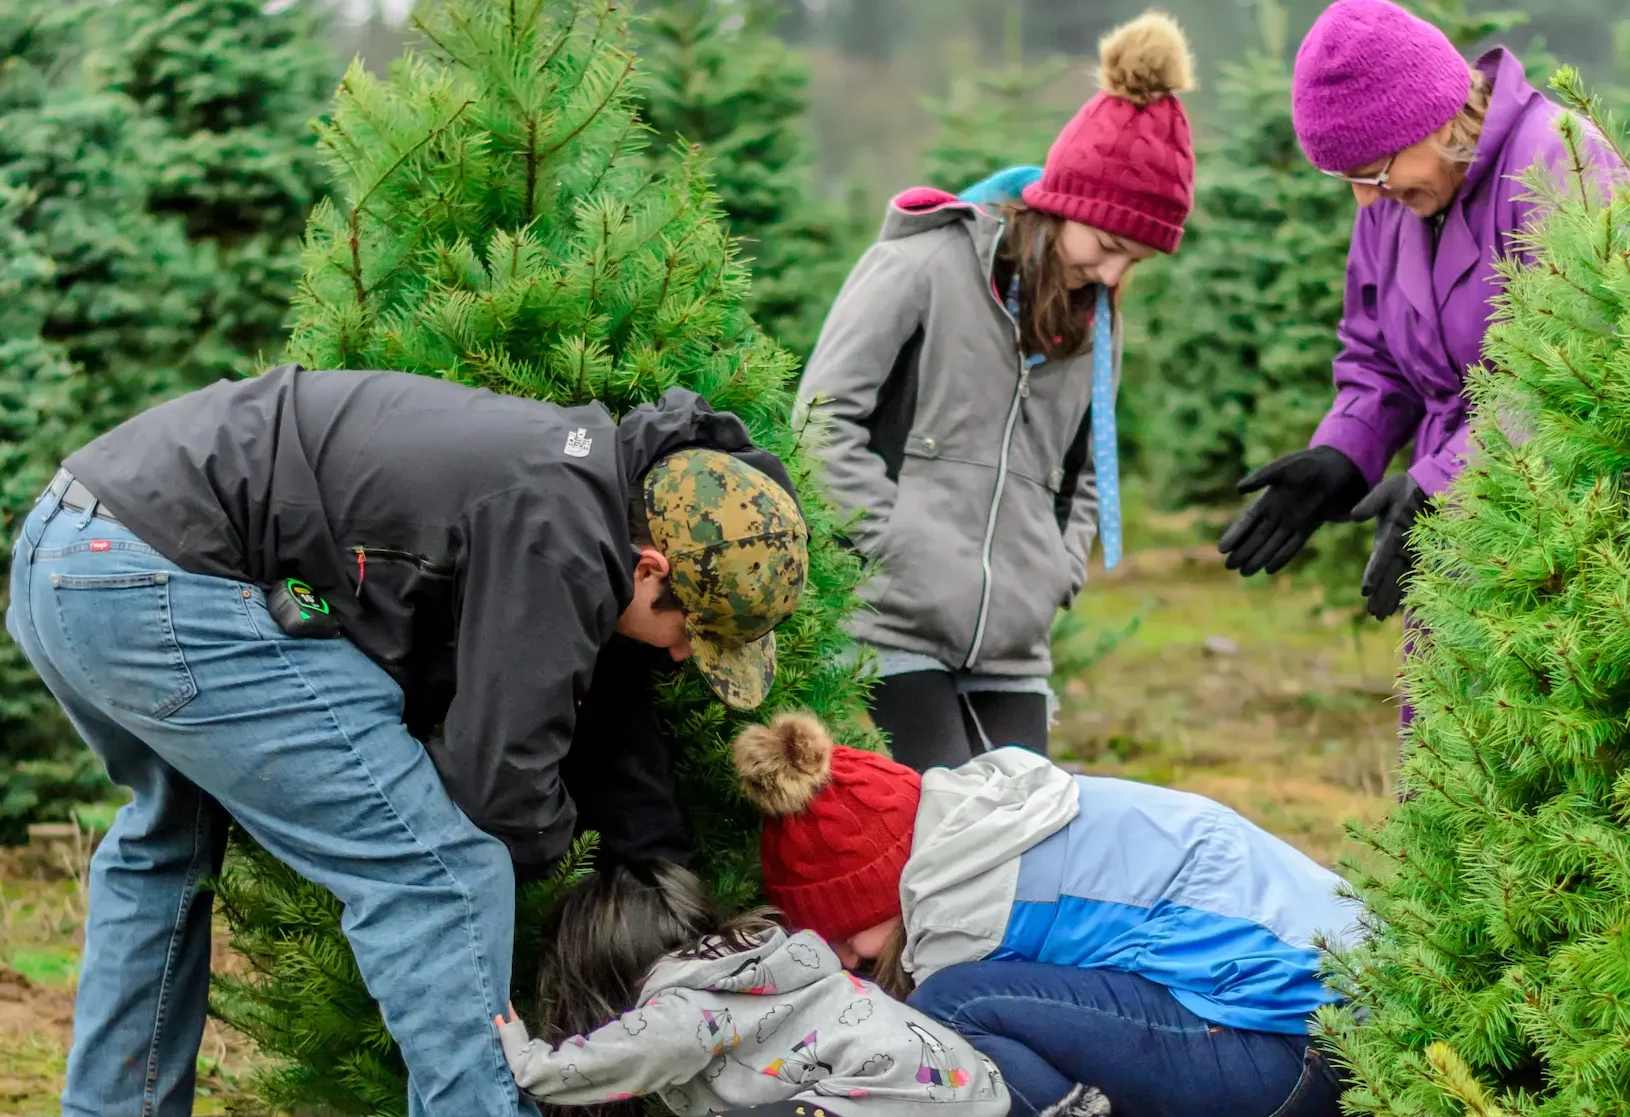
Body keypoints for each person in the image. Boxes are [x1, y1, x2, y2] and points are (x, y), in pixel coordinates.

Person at [4, 364, 807, 1116]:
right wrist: (571, 867)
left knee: (167, 846)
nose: (677, 655)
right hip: (160, 579)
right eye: (686, 630)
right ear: (651, 566)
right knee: (444, 875)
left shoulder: (577, 476)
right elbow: (498, 788)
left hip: (75, 547)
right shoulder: (559, 532)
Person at [797, 11, 1196, 771]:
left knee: (1022, 847)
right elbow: (822, 419)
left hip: (1013, 644)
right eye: (1109, 247)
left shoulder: (1095, 325)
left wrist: (1053, 572)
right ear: (1063, 204)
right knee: (941, 838)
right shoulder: (923, 266)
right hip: (891, 626)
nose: (1114, 276)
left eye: (1135, 261)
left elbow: (1081, 477)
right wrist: (887, 548)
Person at [1218, 0, 1624, 631]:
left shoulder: (1560, 165)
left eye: (1372, 170)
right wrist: (1345, 451)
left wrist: (1445, 481)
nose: (1363, 196)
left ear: (1435, 120)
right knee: (1450, 728)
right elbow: (1377, 355)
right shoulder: (1392, 200)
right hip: (1452, 540)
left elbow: (1579, 369)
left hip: (1571, 539)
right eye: (1345, 176)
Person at [728, 713, 1358, 1117]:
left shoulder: (966, 908)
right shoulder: (995, 820)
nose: (843, 956)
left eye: (837, 932)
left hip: (1294, 1050)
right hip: (1346, 1021)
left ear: (874, 892)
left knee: (943, 1014)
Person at [493, 861, 1036, 1117]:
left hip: (889, 1098)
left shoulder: (685, 1006)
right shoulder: (761, 964)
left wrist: (528, 1060)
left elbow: (628, 1054)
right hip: (967, 1088)